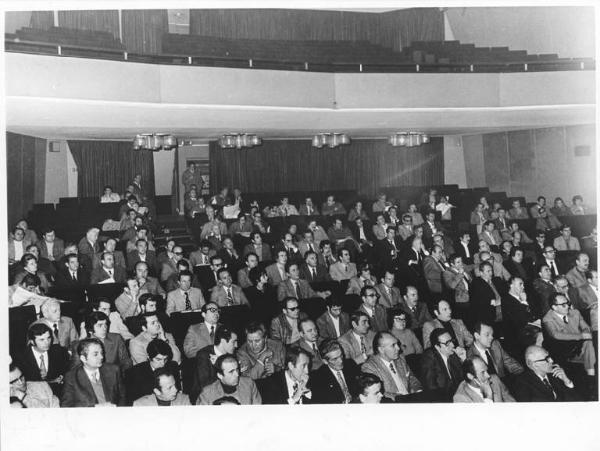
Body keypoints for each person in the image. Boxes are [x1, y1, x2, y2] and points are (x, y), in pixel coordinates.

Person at [61, 338, 126, 407]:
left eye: (101, 353)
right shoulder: (72, 378)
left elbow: (123, 397)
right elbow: (66, 407)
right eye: (95, 354)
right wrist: (94, 409)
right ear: (83, 358)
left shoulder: (113, 370)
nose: (101, 357)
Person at [542, 293, 596, 376]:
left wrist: (585, 331)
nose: (567, 306)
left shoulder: (575, 313)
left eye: (567, 303)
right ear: (554, 307)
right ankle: (591, 374)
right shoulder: (547, 318)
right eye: (563, 305)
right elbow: (555, 334)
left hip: (582, 346)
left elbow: (586, 327)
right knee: (590, 345)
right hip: (566, 349)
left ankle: (591, 374)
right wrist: (581, 336)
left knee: (590, 345)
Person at [362, 331, 423, 401]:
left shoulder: (400, 358)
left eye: (397, 344)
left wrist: (418, 392)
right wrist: (402, 399)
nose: (398, 348)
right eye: (393, 345)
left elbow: (412, 378)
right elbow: (378, 393)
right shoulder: (370, 367)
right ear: (381, 349)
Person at [14, 323, 70, 396]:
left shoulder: (58, 351)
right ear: (32, 342)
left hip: (58, 393)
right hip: (33, 396)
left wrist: (63, 376)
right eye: (42, 340)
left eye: (48, 338)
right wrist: (51, 382)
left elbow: (67, 369)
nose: (47, 342)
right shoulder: (21, 358)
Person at [189, 327, 239, 404]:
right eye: (234, 342)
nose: (236, 345)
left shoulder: (232, 355)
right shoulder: (203, 355)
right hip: (205, 398)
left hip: (229, 394)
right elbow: (205, 385)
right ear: (223, 341)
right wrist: (217, 366)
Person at [513, 345, 579, 402]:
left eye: (549, 357)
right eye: (546, 359)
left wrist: (567, 381)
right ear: (535, 365)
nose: (551, 361)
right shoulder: (523, 383)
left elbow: (575, 402)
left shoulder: (555, 374)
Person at [124, 338, 179, 404]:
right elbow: (131, 401)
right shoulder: (134, 373)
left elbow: (178, 394)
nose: (163, 363)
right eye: (158, 359)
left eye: (165, 359)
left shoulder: (173, 367)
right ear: (149, 357)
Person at [420, 328, 466, 402]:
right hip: (442, 400)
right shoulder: (428, 358)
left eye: (451, 341)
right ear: (437, 347)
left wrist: (464, 360)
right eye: (447, 343)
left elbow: (464, 381)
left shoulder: (453, 355)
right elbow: (431, 388)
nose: (453, 345)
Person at [197, 354, 262, 405]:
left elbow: (257, 412)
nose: (237, 374)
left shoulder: (249, 384)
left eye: (237, 370)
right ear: (220, 375)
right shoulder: (207, 394)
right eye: (231, 372)